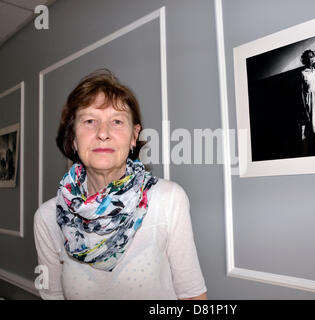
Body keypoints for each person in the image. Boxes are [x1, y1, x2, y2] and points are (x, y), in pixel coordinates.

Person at [33, 69, 207, 300]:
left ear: (134, 136)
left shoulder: (168, 199)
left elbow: (192, 296)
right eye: (89, 121)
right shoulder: (47, 218)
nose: (103, 133)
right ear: (73, 138)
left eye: (116, 121)